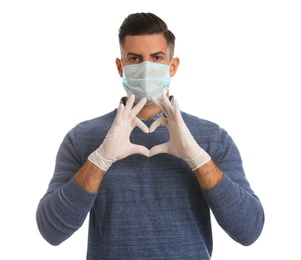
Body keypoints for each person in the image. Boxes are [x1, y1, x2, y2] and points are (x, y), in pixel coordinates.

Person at [36, 12, 265, 259]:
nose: (146, 68)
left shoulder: (212, 138)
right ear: (120, 66)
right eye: (135, 58)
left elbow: (248, 230)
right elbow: (52, 230)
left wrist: (198, 159)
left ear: (172, 66)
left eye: (156, 58)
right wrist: (99, 160)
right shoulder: (82, 138)